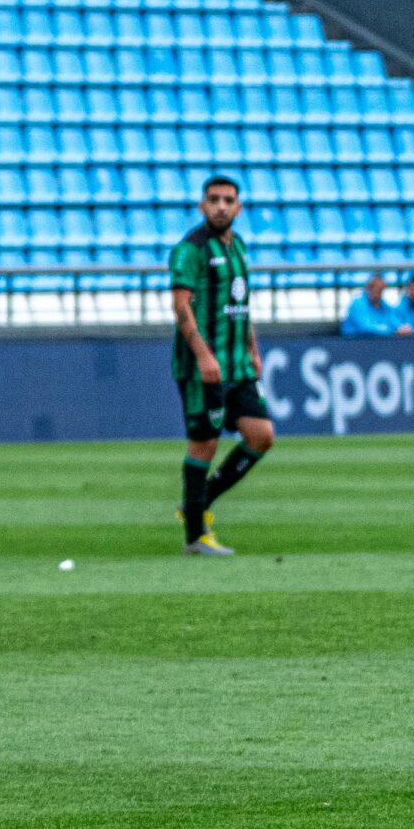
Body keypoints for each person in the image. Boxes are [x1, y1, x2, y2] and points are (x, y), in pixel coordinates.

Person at [170, 175, 275, 557]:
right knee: (205, 443)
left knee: (261, 435)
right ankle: (195, 536)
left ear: (238, 207)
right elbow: (181, 307)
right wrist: (203, 354)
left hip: (237, 364)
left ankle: (197, 502)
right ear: (202, 205)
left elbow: (242, 306)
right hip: (204, 367)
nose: (220, 206)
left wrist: (253, 348)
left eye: (228, 200)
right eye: (213, 199)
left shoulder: (240, 247)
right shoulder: (190, 249)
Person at [340, 272, 412, 337]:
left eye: (381, 289)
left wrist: (401, 328)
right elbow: (365, 327)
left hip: (376, 344)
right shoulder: (357, 304)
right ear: (368, 287)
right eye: (375, 288)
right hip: (353, 344)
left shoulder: (384, 305)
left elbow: (393, 320)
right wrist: (392, 331)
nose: (378, 291)